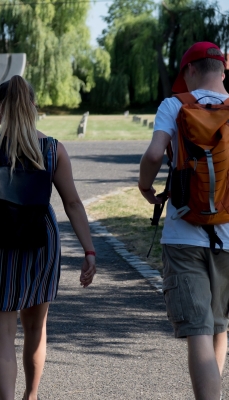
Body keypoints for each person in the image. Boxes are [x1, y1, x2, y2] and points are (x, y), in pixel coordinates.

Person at [0, 76, 96, 400]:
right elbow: (73, 203)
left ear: (1, 109)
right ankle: (31, 396)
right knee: (36, 327)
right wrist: (89, 250)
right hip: (42, 237)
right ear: (33, 106)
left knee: (3, 331)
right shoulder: (53, 149)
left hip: (1, 236)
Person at [138, 42, 229, 400]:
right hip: (228, 237)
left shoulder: (174, 105)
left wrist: (145, 188)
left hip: (183, 235)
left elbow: (154, 153)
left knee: (199, 333)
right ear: (222, 69)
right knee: (219, 327)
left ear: (190, 70)